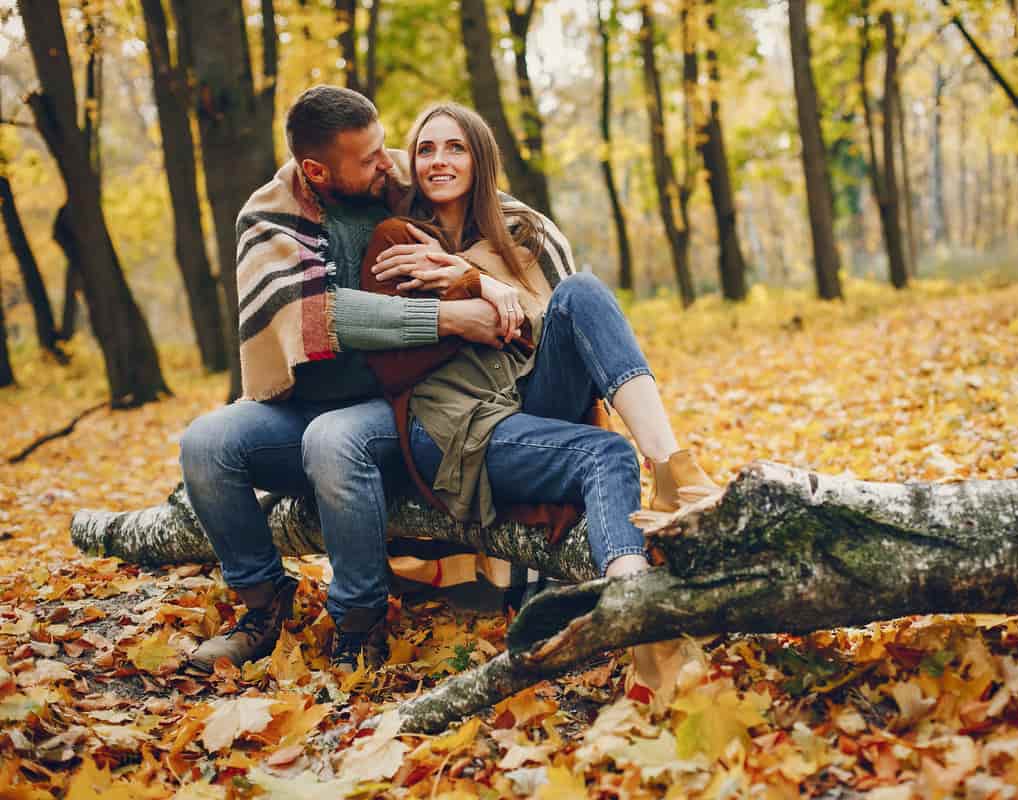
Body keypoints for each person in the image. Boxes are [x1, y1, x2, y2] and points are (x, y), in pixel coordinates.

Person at [181, 87, 714, 685]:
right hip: (381, 407)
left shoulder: (449, 199)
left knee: (584, 299)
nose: (401, 161)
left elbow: (552, 306)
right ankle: (276, 607)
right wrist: (459, 311)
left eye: (446, 148)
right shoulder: (306, 219)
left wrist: (475, 277)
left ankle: (672, 481)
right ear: (317, 171)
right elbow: (310, 311)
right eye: (387, 155)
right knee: (209, 442)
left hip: (501, 397)